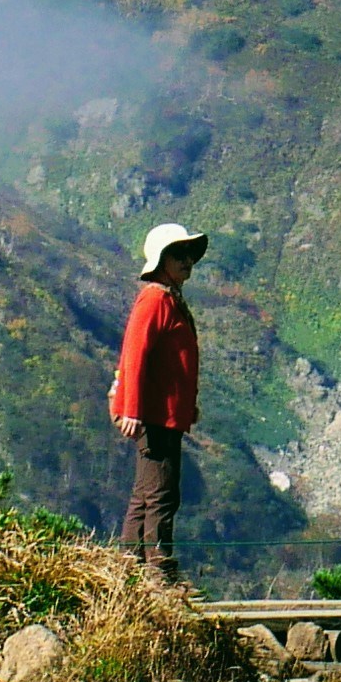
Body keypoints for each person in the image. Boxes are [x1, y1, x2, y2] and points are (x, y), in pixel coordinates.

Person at [112, 220, 205, 576]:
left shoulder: (168, 299)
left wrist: (187, 403)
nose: (187, 261)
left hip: (164, 414)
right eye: (178, 254)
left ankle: (129, 569)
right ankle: (159, 575)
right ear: (162, 260)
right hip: (155, 417)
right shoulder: (155, 300)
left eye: (188, 254)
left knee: (146, 494)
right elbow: (135, 355)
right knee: (162, 496)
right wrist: (132, 409)